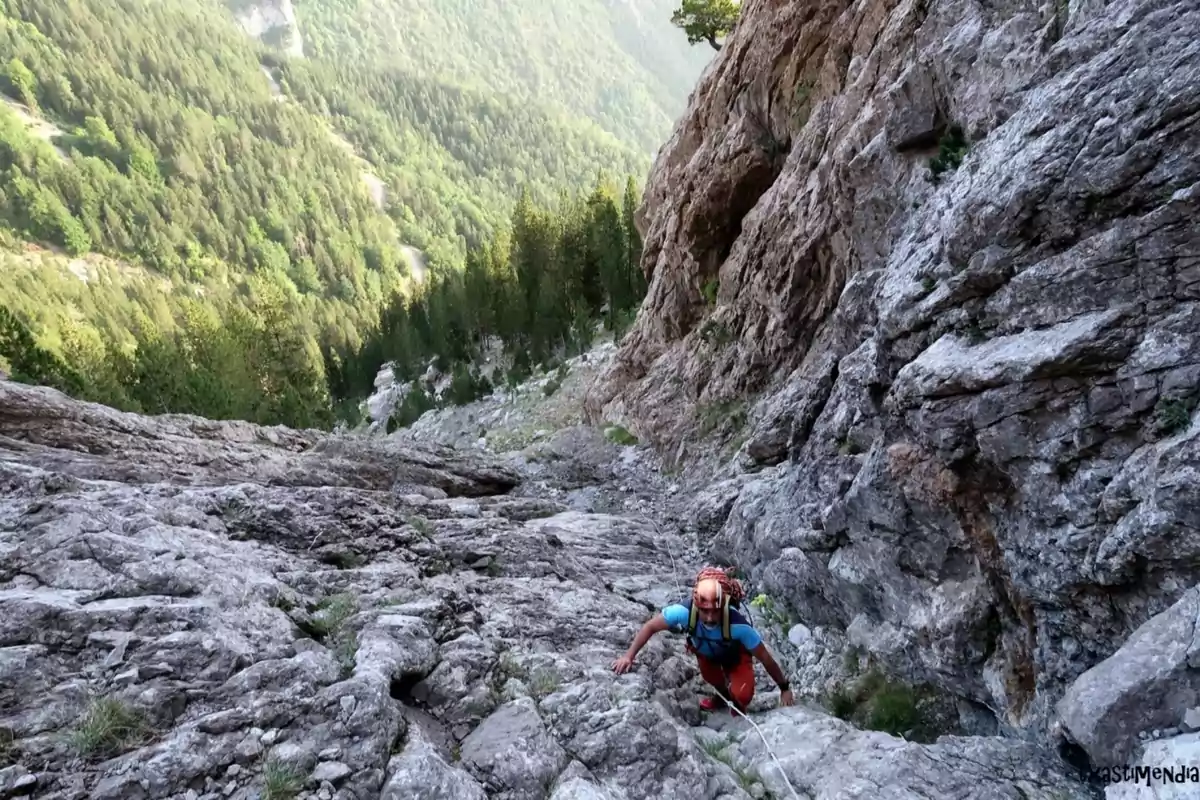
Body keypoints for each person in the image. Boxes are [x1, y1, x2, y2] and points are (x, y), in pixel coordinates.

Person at [611, 568, 795, 713]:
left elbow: (766, 659)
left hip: (735, 657)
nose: (709, 617)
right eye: (704, 611)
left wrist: (784, 688)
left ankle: (738, 703)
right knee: (711, 678)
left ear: (722, 606)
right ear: (697, 605)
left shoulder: (738, 626)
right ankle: (722, 698)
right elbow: (650, 627)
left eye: (714, 611)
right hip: (705, 654)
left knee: (743, 694)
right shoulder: (683, 612)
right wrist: (629, 656)